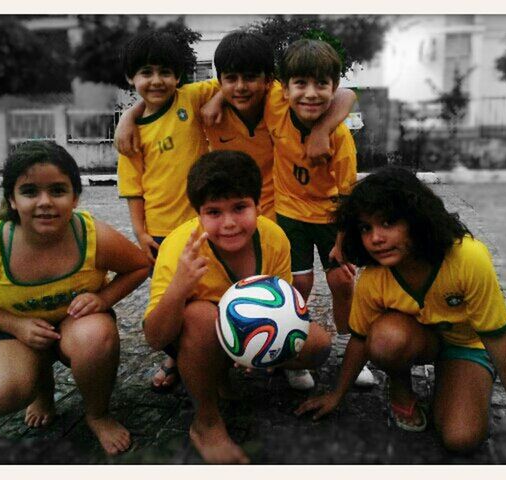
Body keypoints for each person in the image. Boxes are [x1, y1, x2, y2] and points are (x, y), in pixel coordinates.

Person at [115, 29, 356, 391]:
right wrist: (128, 116)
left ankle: (270, 345)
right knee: (181, 293)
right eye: (231, 79)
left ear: (269, 80)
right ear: (218, 79)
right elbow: (158, 97)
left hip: (270, 210)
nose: (241, 86)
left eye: (251, 78)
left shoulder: (280, 98)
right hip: (201, 216)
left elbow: (344, 93)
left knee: (270, 286)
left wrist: (322, 130)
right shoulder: (204, 100)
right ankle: (183, 355)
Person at [295, 166, 506, 452]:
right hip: (414, 339)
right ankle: (400, 386)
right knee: (384, 339)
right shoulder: (373, 276)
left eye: (388, 223)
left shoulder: (468, 258)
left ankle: (459, 379)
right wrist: (336, 394)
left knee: (461, 439)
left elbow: (498, 337)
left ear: (417, 219)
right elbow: (359, 339)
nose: (375, 238)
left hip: (467, 345)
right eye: (366, 228)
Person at [0, 141, 150, 456]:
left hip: (77, 324)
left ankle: (97, 414)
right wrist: (15, 326)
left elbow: (140, 266)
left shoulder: (91, 234)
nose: (45, 202)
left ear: (74, 197)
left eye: (58, 190)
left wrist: (103, 299)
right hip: (19, 329)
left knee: (96, 336)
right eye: (30, 191)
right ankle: (41, 389)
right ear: (12, 200)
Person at [143, 150, 332, 463]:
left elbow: (285, 307)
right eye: (214, 212)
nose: (228, 223)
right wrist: (179, 287)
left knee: (319, 345)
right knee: (201, 316)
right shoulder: (180, 247)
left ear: (258, 205)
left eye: (240, 207)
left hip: (248, 332)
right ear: (197, 214)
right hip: (196, 337)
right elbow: (155, 338)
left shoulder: (274, 238)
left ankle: (235, 371)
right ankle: (205, 422)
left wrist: (260, 350)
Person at [263, 38, 374, 388]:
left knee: (342, 281)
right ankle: (293, 352)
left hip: (330, 218)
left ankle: (347, 345)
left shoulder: (340, 138)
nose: (310, 93)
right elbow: (225, 85)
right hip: (290, 214)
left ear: (333, 87)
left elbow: (346, 197)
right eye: (300, 84)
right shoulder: (275, 108)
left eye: (321, 84)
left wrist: (342, 244)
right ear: (284, 89)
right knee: (298, 284)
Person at [117, 31, 218, 392]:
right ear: (132, 77)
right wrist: (139, 232)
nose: (156, 80)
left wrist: (216, 101)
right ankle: (175, 356)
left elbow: (232, 80)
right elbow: (133, 188)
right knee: (170, 297)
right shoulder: (130, 136)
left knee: (205, 292)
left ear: (179, 75)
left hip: (203, 225)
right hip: (160, 232)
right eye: (146, 72)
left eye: (165, 71)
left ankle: (219, 354)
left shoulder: (192, 97)